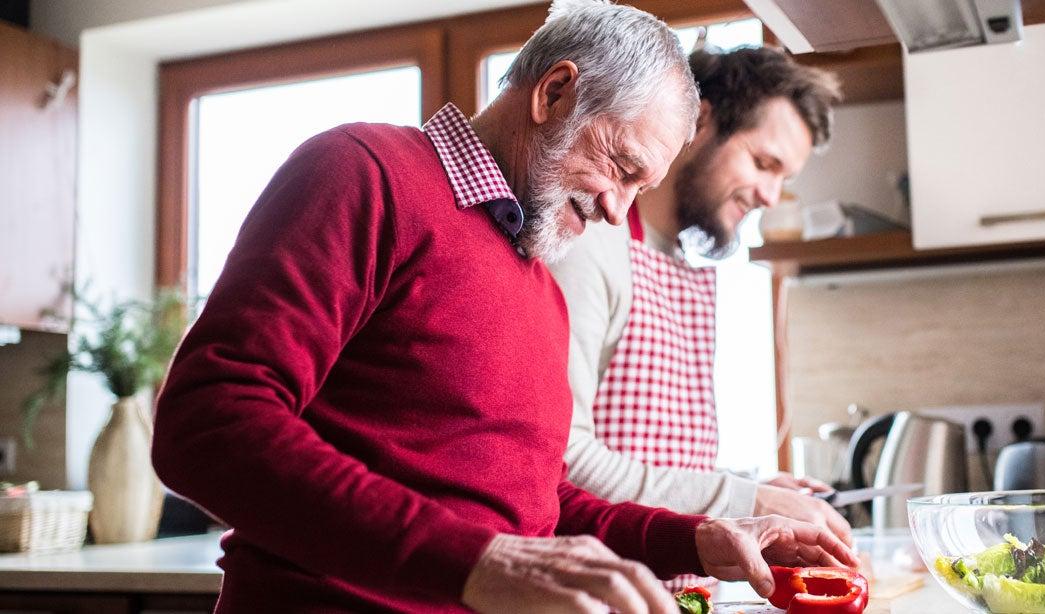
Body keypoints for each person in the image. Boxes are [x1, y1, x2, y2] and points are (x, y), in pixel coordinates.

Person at [150, 2, 854, 612]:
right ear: (554, 92)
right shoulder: (364, 171)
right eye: (620, 166)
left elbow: (539, 505)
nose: (616, 209)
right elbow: (208, 424)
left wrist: (694, 538)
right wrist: (478, 564)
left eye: (641, 187)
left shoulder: (541, 281)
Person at [551, 46, 851, 553]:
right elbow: (566, 460)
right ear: (701, 123)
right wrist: (744, 501)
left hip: (675, 584)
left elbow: (656, 458)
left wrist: (752, 488)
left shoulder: (680, 265)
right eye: (763, 163)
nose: (771, 196)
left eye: (784, 177)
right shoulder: (590, 244)